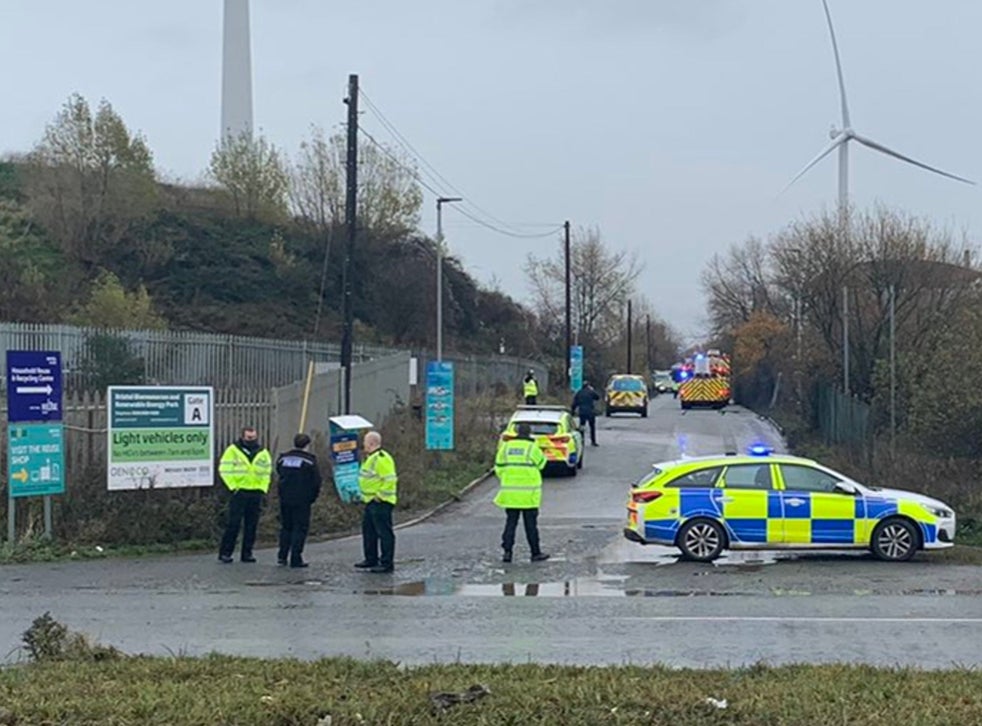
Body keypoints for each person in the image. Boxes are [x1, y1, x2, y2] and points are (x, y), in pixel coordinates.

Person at [494, 422, 549, 563]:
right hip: (529, 495)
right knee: (530, 525)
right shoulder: (532, 448)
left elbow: (498, 467)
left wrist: (508, 479)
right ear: (529, 433)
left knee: (510, 523)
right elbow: (542, 464)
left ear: (517, 432)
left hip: (511, 494)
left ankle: (507, 552)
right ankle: (535, 553)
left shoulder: (506, 447)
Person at [218, 426, 273, 564]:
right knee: (233, 524)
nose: (252, 440)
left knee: (252, 525)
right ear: (242, 437)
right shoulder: (233, 451)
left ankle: (247, 553)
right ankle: (225, 553)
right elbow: (224, 469)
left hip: (256, 492)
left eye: (254, 438)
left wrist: (263, 489)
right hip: (239, 491)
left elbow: (266, 472)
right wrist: (233, 487)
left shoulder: (262, 452)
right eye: (249, 438)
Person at [275, 432, 322, 568]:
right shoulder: (310, 461)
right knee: (300, 529)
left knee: (286, 527)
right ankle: (296, 558)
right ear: (307, 445)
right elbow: (316, 482)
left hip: (285, 498)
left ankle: (282, 556)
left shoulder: (282, 459)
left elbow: (279, 473)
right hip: (302, 500)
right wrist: (312, 498)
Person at [355, 430, 398, 573]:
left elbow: (390, 479)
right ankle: (371, 559)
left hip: (381, 502)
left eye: (365, 442)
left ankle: (386, 563)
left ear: (371, 443)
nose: (363, 445)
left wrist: (379, 496)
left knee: (384, 533)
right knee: (369, 531)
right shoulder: (370, 458)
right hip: (370, 501)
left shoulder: (381, 458)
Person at [571, 380, 601, 447]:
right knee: (592, 427)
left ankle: (581, 441)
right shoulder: (591, 392)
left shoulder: (579, 393)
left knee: (582, 426)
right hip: (590, 412)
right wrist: (592, 390)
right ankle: (593, 441)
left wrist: (572, 412)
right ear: (588, 386)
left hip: (582, 412)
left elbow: (574, 403)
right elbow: (597, 397)